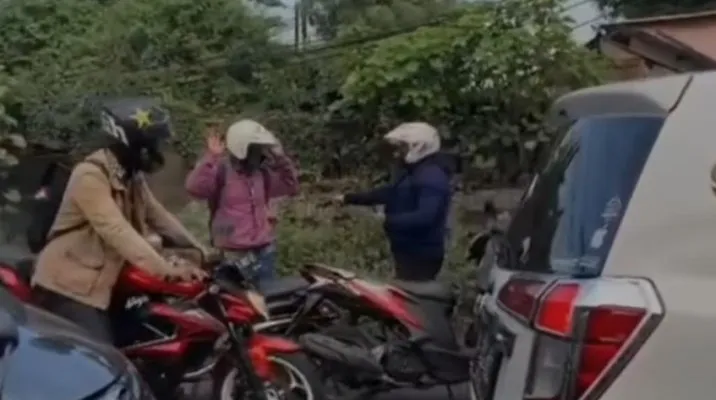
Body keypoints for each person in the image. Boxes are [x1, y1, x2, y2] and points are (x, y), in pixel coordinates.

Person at [31, 98, 208, 344]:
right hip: (70, 285)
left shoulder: (130, 176)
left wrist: (201, 252)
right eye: (153, 143)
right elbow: (116, 230)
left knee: (154, 331)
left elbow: (159, 217)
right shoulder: (90, 175)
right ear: (134, 144)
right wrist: (165, 271)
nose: (157, 150)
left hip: (107, 284)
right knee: (102, 358)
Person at [335, 122, 456, 281]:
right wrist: (349, 198)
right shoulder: (414, 172)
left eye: (403, 148)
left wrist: (387, 220)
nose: (397, 154)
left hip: (421, 254)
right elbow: (389, 193)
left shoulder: (431, 178)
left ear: (418, 147)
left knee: (407, 298)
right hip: (407, 249)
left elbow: (424, 217)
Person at [185, 119, 299, 284]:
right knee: (236, 304)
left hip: (263, 249)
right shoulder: (222, 171)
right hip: (233, 252)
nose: (260, 154)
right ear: (241, 148)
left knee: (266, 302)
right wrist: (211, 158)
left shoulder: (262, 174)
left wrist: (281, 158)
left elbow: (291, 186)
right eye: (255, 149)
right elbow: (194, 188)